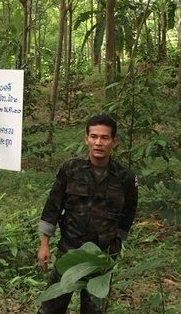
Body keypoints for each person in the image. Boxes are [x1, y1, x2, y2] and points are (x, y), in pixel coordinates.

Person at [37, 114, 138, 314]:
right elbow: (53, 206)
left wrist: (116, 244)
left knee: (94, 310)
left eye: (104, 137)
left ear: (114, 142)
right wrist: (44, 244)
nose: (98, 142)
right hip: (69, 251)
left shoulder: (125, 177)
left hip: (102, 257)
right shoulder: (71, 169)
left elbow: (128, 215)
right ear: (86, 139)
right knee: (52, 307)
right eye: (94, 136)